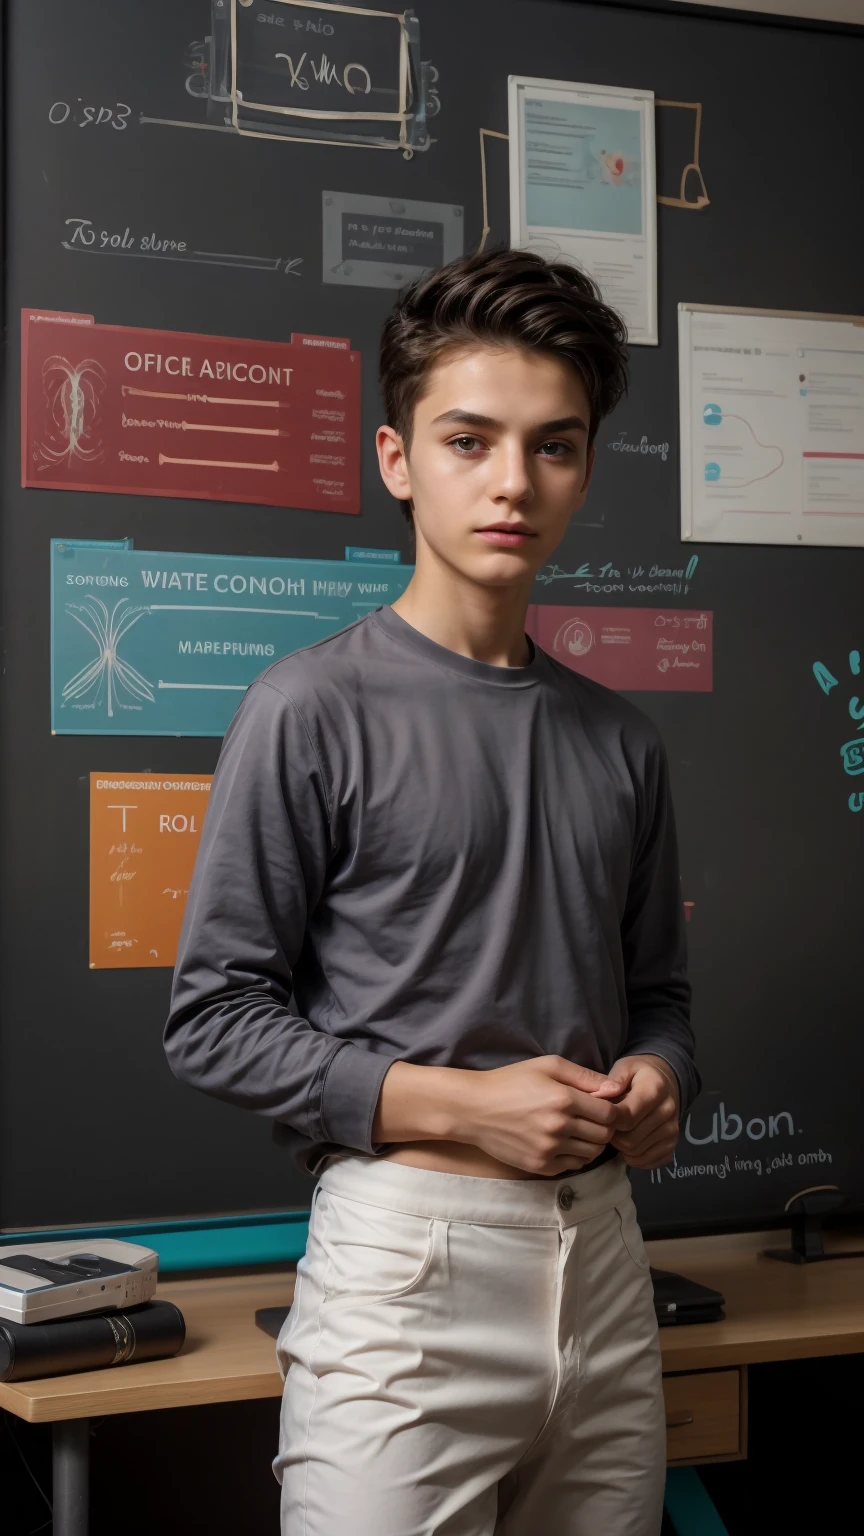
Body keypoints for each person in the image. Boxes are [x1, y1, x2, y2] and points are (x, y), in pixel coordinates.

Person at [165, 247, 699, 1536]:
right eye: (471, 440)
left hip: (606, 1265)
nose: (513, 481)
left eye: (554, 446)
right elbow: (212, 1016)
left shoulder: (623, 741)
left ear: (582, 468)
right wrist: (461, 1110)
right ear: (398, 459)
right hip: (405, 1263)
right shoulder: (308, 708)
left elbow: (658, 996)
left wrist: (662, 1078)